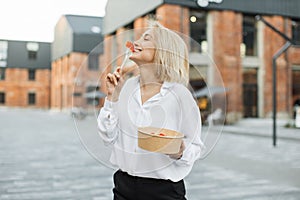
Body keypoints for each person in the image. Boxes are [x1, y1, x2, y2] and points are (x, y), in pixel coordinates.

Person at [97, 20, 203, 200]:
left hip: (163, 192)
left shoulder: (179, 95)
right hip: (124, 187)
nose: (136, 42)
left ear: (163, 50)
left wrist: (179, 151)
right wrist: (112, 98)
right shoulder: (127, 88)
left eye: (146, 38)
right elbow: (108, 137)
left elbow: (196, 147)